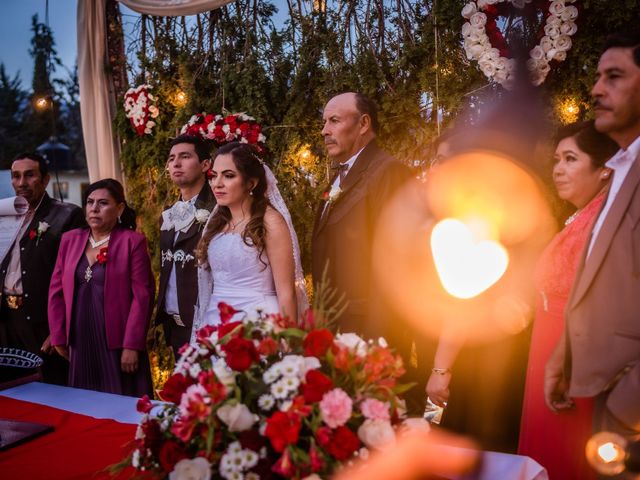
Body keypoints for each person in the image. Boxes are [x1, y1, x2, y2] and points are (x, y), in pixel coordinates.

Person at [545, 31, 640, 443]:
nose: (597, 89)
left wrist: (626, 404)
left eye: (614, 77)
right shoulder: (622, 170)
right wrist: (562, 355)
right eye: (599, 77)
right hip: (596, 390)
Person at [517, 121, 618, 479]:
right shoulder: (581, 217)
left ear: (606, 169)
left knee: (567, 456)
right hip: (546, 351)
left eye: (571, 159)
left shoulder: (607, 223)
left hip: (574, 357)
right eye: (557, 159)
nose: (558, 168)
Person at [312, 92, 411, 340]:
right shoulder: (337, 178)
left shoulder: (390, 172)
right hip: (336, 327)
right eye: (324, 122)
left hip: (369, 333)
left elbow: (397, 265)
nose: (325, 130)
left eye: (334, 120)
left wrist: (376, 342)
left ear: (363, 124)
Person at [48, 179, 154, 396]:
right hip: (79, 341)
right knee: (84, 405)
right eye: (90, 202)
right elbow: (56, 291)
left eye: (103, 203)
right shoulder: (70, 239)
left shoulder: (132, 242)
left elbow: (142, 297)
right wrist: (58, 336)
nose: (94, 209)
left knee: (120, 405)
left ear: (120, 208)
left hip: (117, 343)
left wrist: (132, 345)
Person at [192, 142, 307, 330]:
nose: (217, 183)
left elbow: (287, 292)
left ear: (251, 183)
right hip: (216, 319)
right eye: (214, 176)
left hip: (258, 323)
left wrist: (287, 344)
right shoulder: (217, 223)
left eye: (228, 176)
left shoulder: (270, 221)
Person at [0, 152, 84, 385]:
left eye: (29, 175)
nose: (21, 183)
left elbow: (78, 277)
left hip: (44, 321)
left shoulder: (67, 215)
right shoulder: (6, 214)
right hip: (7, 320)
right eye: (16, 176)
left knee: (52, 388)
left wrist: (61, 326)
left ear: (45, 180)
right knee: (13, 390)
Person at [156, 135, 215, 357]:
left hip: (205, 325)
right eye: (172, 158)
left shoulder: (217, 211)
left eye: (185, 156)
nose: (176, 164)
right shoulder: (168, 215)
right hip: (175, 329)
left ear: (205, 165)